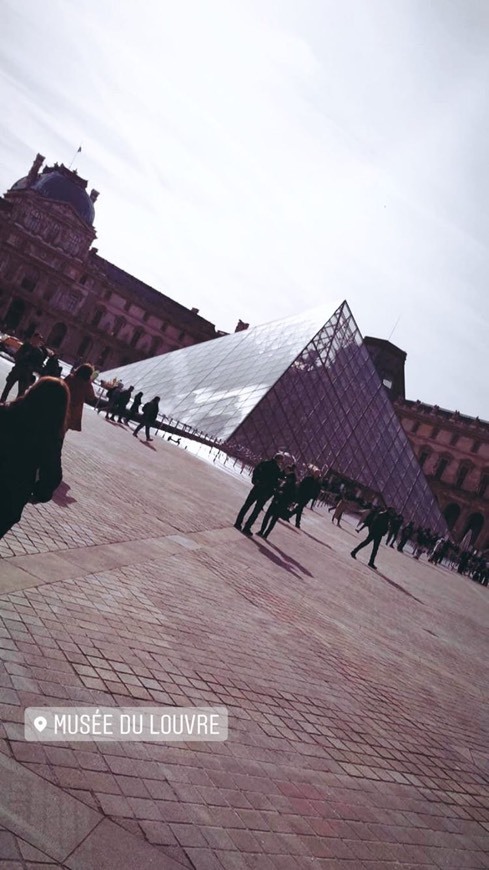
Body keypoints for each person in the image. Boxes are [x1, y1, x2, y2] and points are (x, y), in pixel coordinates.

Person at [0, 377, 68, 539]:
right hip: (10, 496)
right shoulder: (51, 437)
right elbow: (52, 475)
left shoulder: (4, 412)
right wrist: (40, 494)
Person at [234, 453, 283, 537]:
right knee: (256, 511)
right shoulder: (277, 470)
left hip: (257, 487)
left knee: (246, 505)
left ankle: (238, 522)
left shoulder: (264, 463)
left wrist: (255, 481)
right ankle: (247, 527)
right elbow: (274, 483)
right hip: (265, 492)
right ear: (279, 460)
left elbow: (256, 471)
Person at [0, 332, 46, 401]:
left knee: (21, 394)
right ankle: (2, 402)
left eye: (38, 340)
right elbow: (17, 356)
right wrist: (23, 357)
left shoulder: (39, 353)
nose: (36, 341)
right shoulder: (26, 346)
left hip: (26, 374)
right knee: (7, 388)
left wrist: (31, 367)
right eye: (35, 339)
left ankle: (15, 408)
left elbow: (39, 366)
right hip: (17, 370)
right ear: (32, 338)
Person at [258, 464, 297, 539]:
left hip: (279, 503)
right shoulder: (288, 483)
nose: (286, 479)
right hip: (279, 503)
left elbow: (289, 495)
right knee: (272, 518)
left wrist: (279, 493)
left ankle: (263, 532)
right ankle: (264, 532)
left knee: (270, 518)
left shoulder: (289, 484)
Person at [64, 364, 96, 431]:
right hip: (74, 409)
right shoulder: (86, 384)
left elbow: (61, 386)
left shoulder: (70, 378)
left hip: (63, 403)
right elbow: (91, 397)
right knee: (64, 428)